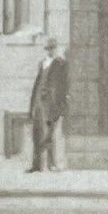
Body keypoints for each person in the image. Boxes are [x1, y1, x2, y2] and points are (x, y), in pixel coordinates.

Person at [27, 36, 68, 173]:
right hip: (39, 101)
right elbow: (37, 83)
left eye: (52, 48)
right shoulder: (42, 63)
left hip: (51, 103)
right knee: (36, 132)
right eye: (47, 48)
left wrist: (61, 105)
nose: (49, 51)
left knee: (49, 133)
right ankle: (36, 164)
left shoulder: (61, 64)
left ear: (56, 49)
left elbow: (63, 86)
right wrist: (32, 105)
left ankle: (51, 164)